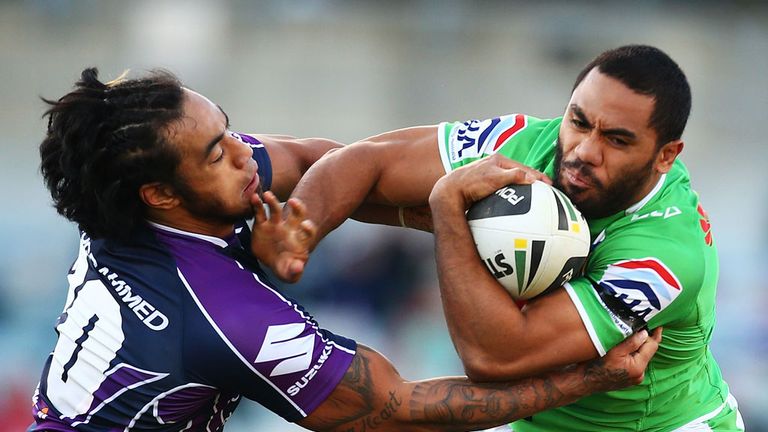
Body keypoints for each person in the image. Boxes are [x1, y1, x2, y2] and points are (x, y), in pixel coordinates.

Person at [30, 67, 659, 432]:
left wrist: (307, 223)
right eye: (217, 153)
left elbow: (315, 158)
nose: (247, 152)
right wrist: (591, 377)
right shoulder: (225, 321)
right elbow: (398, 413)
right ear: (161, 194)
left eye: (227, 128)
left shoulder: (123, 200)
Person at [271, 45, 744, 431]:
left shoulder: (662, 255)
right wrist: (297, 230)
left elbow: (495, 356)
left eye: (617, 141)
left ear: (666, 156)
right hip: (539, 422)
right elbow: (366, 162)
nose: (584, 151)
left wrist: (448, 209)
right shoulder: (525, 143)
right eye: (578, 121)